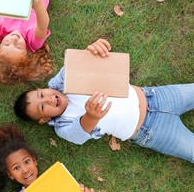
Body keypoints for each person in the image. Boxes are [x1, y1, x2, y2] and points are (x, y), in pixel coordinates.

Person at [14, 39, 194, 163]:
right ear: (44, 119)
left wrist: (92, 49)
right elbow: (79, 133)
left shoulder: (62, 82)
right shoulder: (63, 126)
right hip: (152, 131)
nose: (49, 99)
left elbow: (79, 62)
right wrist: (91, 116)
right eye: (43, 106)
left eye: (41, 94)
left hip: (155, 96)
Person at [0, 0, 54, 84]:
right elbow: (42, 26)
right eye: (18, 47)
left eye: (7, 44)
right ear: (27, 54)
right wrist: (38, 5)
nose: (14, 39)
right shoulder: (33, 43)